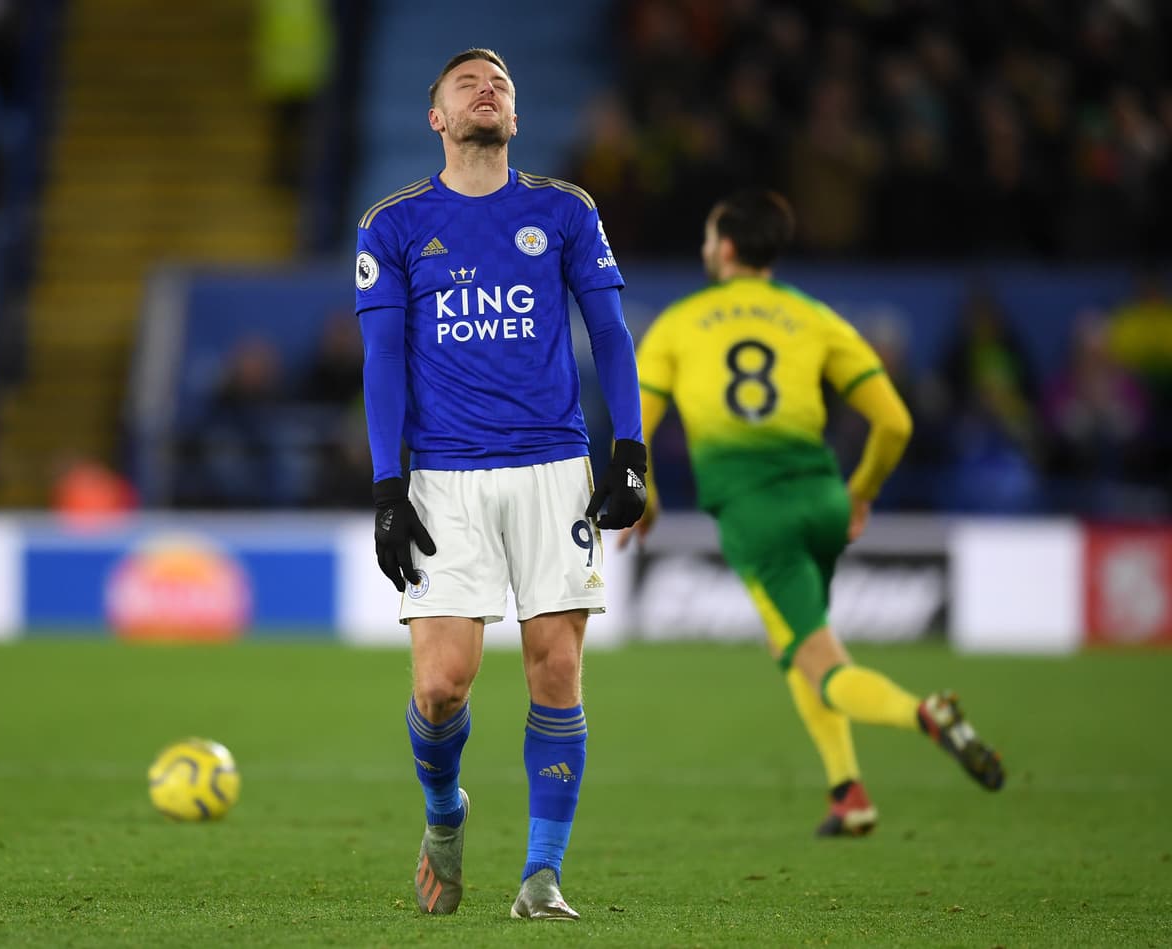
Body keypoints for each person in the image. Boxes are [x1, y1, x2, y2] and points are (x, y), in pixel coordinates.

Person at [354, 48, 646, 920]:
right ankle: (446, 814)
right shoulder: (393, 225)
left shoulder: (562, 209)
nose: (489, 89)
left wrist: (628, 449)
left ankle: (542, 874)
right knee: (442, 684)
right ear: (436, 118)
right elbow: (380, 359)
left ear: (514, 118)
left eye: (503, 84)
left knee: (555, 668)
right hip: (445, 477)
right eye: (466, 83)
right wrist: (386, 485)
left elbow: (611, 331)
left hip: (555, 467)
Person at [620, 190, 1004, 837]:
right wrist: (861, 491)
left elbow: (635, 428)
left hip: (754, 512)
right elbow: (895, 421)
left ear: (729, 248)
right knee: (800, 643)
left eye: (711, 237)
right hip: (823, 497)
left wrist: (646, 498)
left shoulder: (679, 323)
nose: (705, 247)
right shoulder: (814, 316)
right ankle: (848, 791)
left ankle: (926, 713)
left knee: (823, 668)